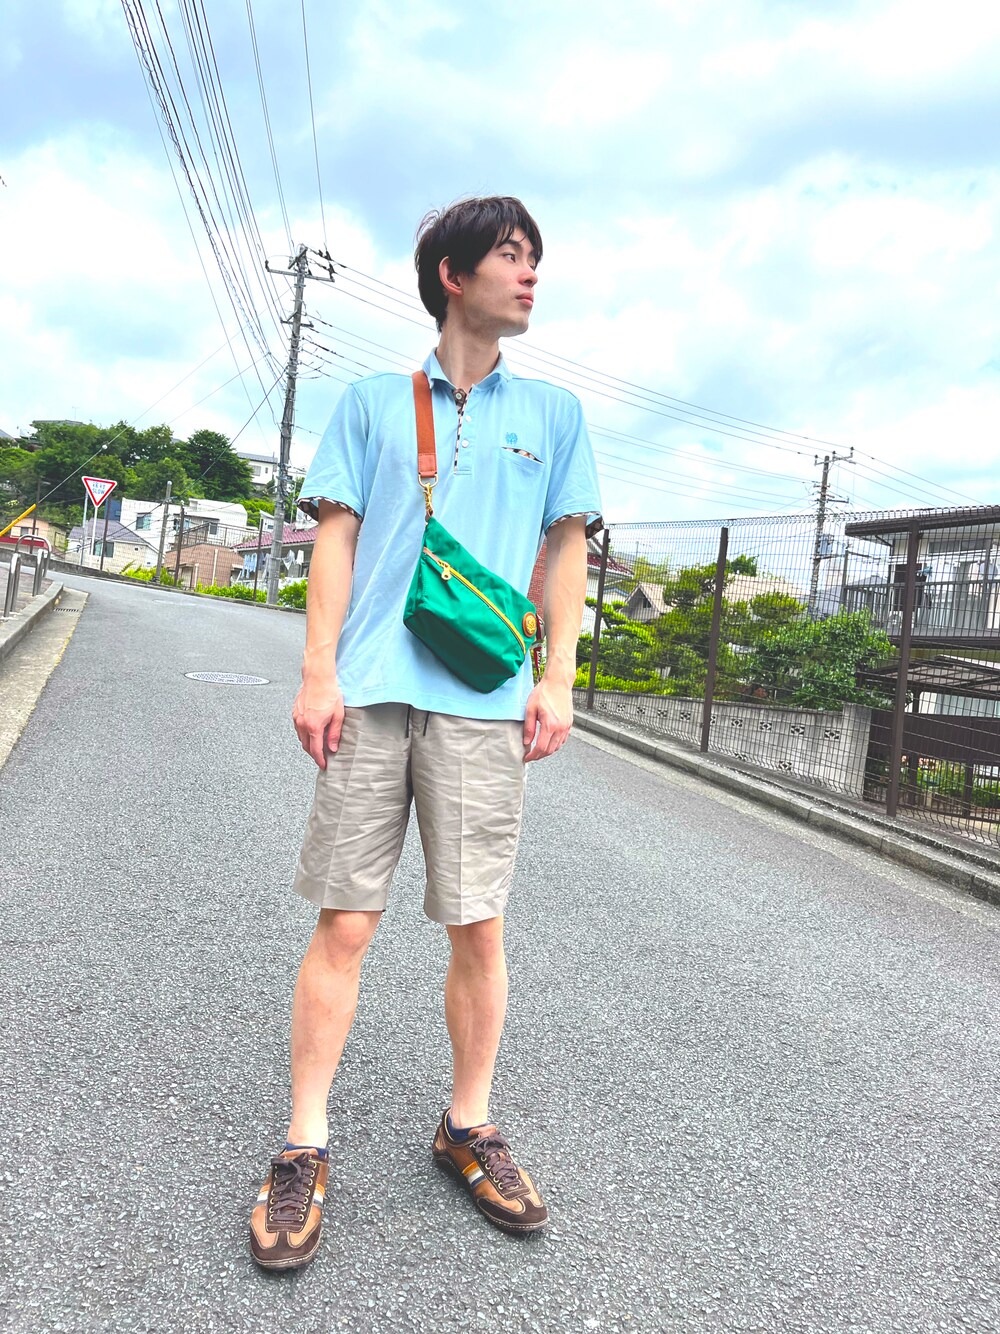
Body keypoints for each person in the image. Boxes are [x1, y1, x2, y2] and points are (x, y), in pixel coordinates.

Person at [250, 196, 602, 1269]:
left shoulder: (554, 414)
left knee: (477, 926)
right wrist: (317, 672)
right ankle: (304, 1141)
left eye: (535, 258)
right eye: (511, 255)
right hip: (371, 692)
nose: (530, 274)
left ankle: (467, 1124)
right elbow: (335, 540)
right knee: (345, 923)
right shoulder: (369, 403)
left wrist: (557, 677)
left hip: (485, 702)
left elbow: (567, 550)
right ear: (453, 275)